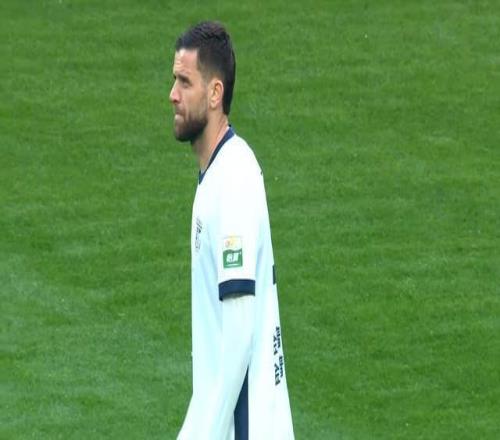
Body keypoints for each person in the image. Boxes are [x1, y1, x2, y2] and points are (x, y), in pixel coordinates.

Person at [169, 21, 294, 440]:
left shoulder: (234, 180)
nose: (172, 94)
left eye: (185, 82)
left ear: (215, 93)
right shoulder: (218, 175)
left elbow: (239, 333)